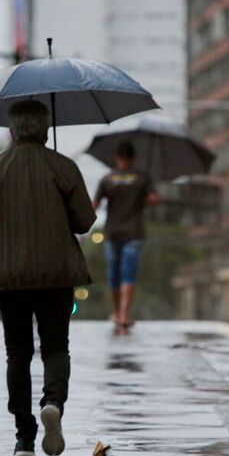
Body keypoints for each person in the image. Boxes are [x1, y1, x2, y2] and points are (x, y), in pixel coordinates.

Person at [0, 101, 96, 456]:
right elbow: (85, 221)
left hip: (8, 275)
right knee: (55, 347)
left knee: (17, 352)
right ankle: (53, 402)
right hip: (56, 273)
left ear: (12, 131)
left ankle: (24, 435)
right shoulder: (63, 167)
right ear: (46, 130)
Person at [92, 141, 159, 334]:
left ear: (117, 158)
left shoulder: (108, 179)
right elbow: (155, 198)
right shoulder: (142, 178)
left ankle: (115, 311)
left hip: (112, 232)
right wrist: (143, 197)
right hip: (134, 232)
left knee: (114, 273)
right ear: (133, 158)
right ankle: (124, 314)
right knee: (128, 273)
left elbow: (94, 205)